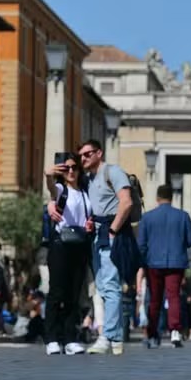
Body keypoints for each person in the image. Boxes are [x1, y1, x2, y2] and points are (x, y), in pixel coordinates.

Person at [78, 139, 136, 355]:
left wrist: (113, 230)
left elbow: (126, 202)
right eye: (81, 155)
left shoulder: (113, 172)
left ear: (99, 153)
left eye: (87, 154)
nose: (83, 158)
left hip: (112, 235)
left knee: (110, 286)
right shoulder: (89, 179)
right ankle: (116, 338)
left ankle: (107, 337)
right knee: (103, 287)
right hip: (98, 235)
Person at [43, 152, 93, 355]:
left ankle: (70, 338)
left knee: (74, 293)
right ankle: (52, 338)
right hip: (60, 245)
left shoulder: (84, 192)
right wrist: (48, 175)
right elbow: (50, 188)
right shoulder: (61, 190)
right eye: (67, 168)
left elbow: (88, 215)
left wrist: (90, 224)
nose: (71, 171)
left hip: (80, 244)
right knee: (57, 292)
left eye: (74, 167)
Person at [138, 183, 191, 349]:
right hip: (176, 262)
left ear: (157, 198)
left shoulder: (147, 217)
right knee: (174, 297)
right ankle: (175, 331)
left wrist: (142, 262)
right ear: (172, 198)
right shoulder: (183, 216)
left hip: (153, 262)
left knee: (154, 299)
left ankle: (152, 333)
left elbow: (141, 244)